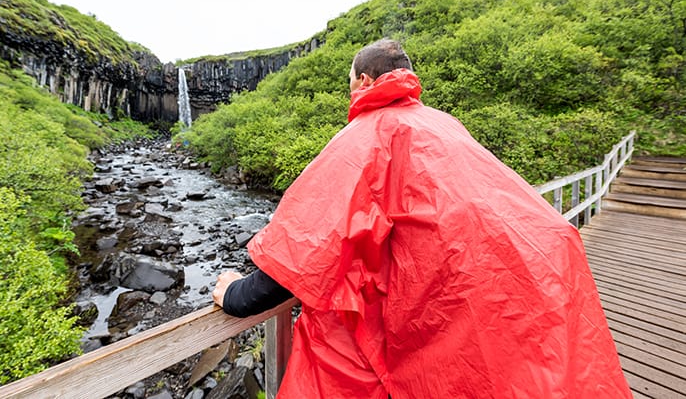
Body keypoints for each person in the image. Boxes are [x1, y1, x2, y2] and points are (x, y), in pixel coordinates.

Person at [212, 39, 632, 398]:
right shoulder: (443, 125)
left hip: (434, 323)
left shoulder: (364, 138)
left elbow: (305, 248)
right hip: (514, 294)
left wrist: (235, 295)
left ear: (362, 81)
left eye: (348, 83)